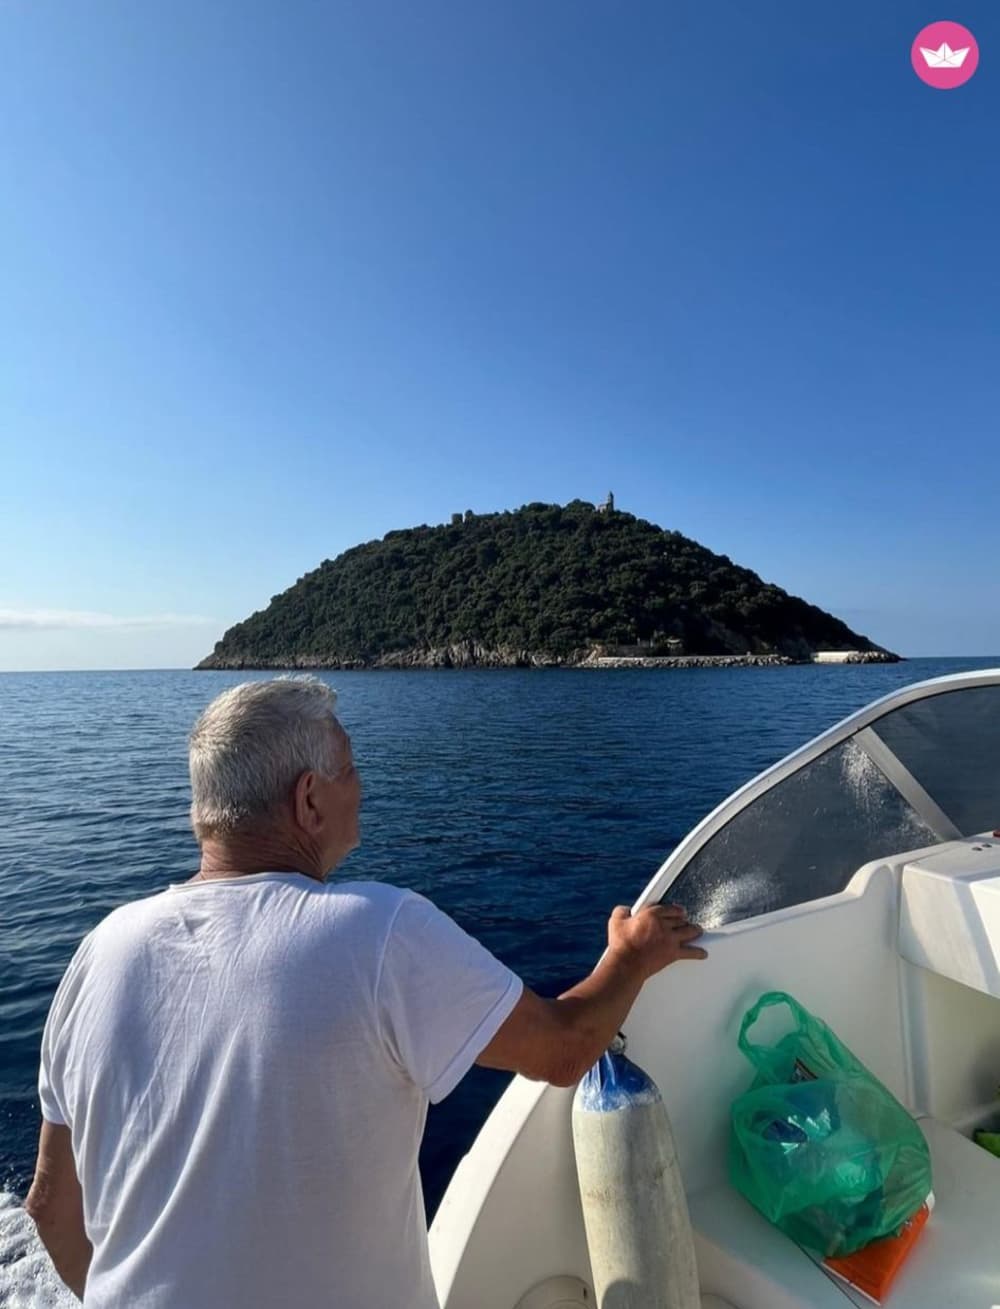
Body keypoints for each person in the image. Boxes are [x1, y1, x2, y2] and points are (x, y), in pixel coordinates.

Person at [26, 677, 706, 1307]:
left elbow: (50, 1208)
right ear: (309, 800)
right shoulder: (378, 931)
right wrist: (631, 956)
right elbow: (563, 1050)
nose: (362, 788)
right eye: (349, 769)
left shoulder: (99, 952)